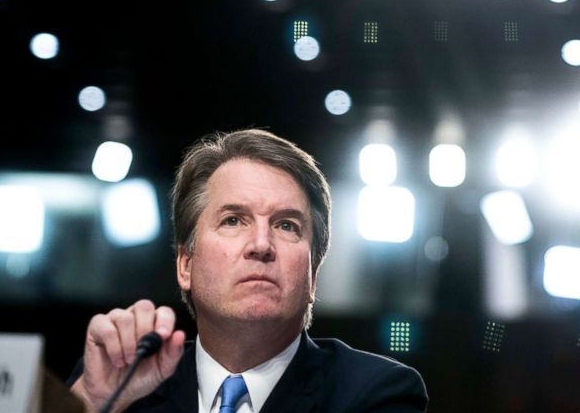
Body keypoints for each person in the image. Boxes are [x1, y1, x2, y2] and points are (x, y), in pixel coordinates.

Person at [69, 129, 427, 413]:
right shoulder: (121, 382)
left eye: (286, 225)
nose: (261, 244)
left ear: (313, 274)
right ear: (185, 264)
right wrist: (92, 402)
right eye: (233, 220)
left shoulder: (377, 393)